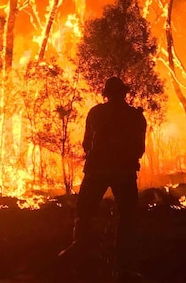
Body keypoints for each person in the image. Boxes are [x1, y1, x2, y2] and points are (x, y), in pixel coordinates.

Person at [72, 76, 147, 278]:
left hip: (97, 170)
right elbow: (139, 148)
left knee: (85, 214)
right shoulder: (135, 116)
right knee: (127, 219)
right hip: (124, 172)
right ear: (124, 94)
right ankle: (124, 267)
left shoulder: (96, 113)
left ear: (107, 94)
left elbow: (87, 143)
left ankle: (80, 260)